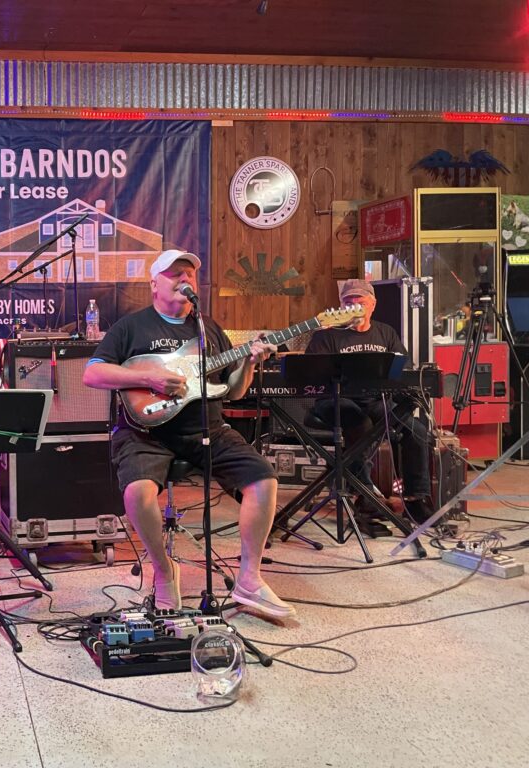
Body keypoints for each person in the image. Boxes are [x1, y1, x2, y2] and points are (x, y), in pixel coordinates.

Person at [83, 249, 294, 619]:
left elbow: (234, 391)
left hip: (207, 428)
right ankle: (164, 571)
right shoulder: (132, 327)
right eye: (175, 273)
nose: (184, 279)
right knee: (137, 493)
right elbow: (92, 374)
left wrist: (248, 362)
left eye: (190, 274)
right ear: (154, 284)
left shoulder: (207, 329)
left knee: (264, 479)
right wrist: (147, 377)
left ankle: (249, 578)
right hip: (145, 433)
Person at [305, 278, 434, 531]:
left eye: (360, 301)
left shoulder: (386, 333)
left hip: (376, 400)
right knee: (360, 424)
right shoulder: (326, 336)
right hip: (335, 400)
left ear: (373, 305)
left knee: (417, 430)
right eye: (348, 302)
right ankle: (365, 495)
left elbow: (403, 369)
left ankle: (416, 500)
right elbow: (311, 375)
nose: (354, 306)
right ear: (340, 306)